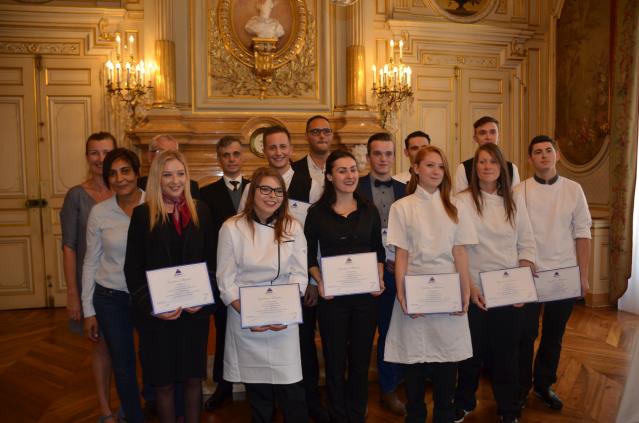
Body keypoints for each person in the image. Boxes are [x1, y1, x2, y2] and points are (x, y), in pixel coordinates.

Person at [384, 145, 478, 423]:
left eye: (440, 166)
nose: (436, 171)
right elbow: (402, 253)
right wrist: (401, 293)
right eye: (430, 165)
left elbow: (460, 252)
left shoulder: (456, 205)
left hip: (448, 288)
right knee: (414, 357)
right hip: (415, 288)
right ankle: (415, 414)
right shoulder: (402, 206)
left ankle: (444, 414)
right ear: (415, 169)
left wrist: (465, 292)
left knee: (447, 359)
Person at [124, 150, 216, 423]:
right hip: (159, 318)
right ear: (156, 179)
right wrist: (153, 307)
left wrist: (204, 298)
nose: (175, 180)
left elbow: (213, 261)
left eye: (180, 173)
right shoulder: (142, 215)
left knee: (192, 380)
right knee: (162, 384)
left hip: (193, 315)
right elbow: (132, 269)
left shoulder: (201, 211)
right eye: (167, 175)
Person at [216, 167, 309, 422]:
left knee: (293, 394)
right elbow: (226, 281)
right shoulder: (231, 228)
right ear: (252, 192)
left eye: (278, 191)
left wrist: (285, 311)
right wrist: (252, 315)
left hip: (284, 322)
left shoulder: (292, 226)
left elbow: (300, 276)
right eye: (265, 189)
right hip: (247, 321)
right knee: (259, 398)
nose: (272, 195)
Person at [452, 143, 536, 423]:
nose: (487, 167)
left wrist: (522, 286)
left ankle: (508, 409)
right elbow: (458, 247)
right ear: (475, 168)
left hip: (508, 290)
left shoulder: (514, 201)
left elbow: (526, 244)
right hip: (474, 287)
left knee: (507, 354)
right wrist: (470, 288)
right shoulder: (461, 201)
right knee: (471, 353)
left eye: (493, 162)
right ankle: (464, 402)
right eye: (482, 162)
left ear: (502, 168)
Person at [304, 150, 386, 423]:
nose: (349, 175)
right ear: (329, 176)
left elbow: (378, 251)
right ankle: (338, 416)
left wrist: (379, 279)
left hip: (366, 299)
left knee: (361, 363)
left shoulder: (369, 210)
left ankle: (356, 414)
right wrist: (320, 281)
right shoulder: (316, 214)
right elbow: (307, 257)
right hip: (333, 299)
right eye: (342, 170)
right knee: (335, 362)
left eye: (353, 169)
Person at [516, 135, 592, 410]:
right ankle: (521, 386)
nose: (544, 155)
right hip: (530, 274)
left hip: (564, 276)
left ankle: (543, 384)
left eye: (549, 150)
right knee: (525, 335)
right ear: (530, 159)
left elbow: (583, 234)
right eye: (538, 152)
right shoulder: (519, 191)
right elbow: (513, 234)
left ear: (557, 155)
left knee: (553, 334)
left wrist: (583, 276)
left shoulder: (574, 189)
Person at [82, 148, 145, 423]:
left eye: (125, 171)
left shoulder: (156, 202)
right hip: (111, 298)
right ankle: (133, 416)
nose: (120, 179)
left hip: (149, 296)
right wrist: (88, 311)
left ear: (137, 173)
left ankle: (157, 406)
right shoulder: (100, 213)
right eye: (113, 173)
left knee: (155, 359)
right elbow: (90, 262)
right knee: (123, 365)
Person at [60, 131, 116, 422]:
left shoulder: (127, 191)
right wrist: (72, 294)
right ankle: (106, 409)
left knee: (129, 349)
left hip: (126, 285)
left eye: (107, 152)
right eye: (95, 152)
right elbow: (69, 246)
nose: (101, 159)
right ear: (87, 157)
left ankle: (130, 402)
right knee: (101, 347)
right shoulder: (76, 196)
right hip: (92, 286)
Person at [356, 132, 406, 416]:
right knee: (360, 335)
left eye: (388, 153)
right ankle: (357, 393)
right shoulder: (354, 185)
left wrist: (399, 263)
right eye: (378, 153)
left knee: (390, 332)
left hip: (393, 272)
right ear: (368, 156)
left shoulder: (406, 188)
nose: (383, 159)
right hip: (361, 275)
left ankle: (389, 389)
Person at [200, 136, 250, 411]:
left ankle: (255, 384)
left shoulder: (256, 189)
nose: (231, 159)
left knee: (253, 330)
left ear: (242, 157)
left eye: (235, 154)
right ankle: (224, 385)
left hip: (254, 275)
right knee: (222, 331)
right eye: (225, 155)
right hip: (223, 275)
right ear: (219, 159)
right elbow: (207, 238)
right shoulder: (206, 194)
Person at [291, 115, 333, 422]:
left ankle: (335, 400)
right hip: (307, 275)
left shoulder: (342, 170)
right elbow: (294, 234)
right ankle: (309, 401)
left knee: (334, 343)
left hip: (338, 275)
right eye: (315, 131)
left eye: (326, 131)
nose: (321, 135)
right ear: (307, 136)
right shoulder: (293, 176)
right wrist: (309, 278)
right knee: (305, 345)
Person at [454, 116, 520, 193]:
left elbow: (515, 200)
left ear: (498, 136)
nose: (488, 137)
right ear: (475, 138)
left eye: (492, 132)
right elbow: (459, 202)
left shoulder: (512, 168)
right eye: (482, 133)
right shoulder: (463, 168)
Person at [138, 134, 200, 199]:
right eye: (162, 152)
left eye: (173, 153)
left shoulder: (191, 187)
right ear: (149, 157)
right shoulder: (139, 185)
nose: (167, 157)